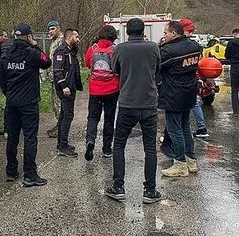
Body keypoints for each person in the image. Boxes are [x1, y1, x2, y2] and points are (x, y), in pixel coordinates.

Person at [104, 18, 162, 204]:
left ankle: (118, 186)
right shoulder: (153, 47)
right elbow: (157, 72)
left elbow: (115, 71)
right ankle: (150, 190)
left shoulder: (119, 49)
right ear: (142, 31)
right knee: (150, 148)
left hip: (128, 103)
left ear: (126, 32)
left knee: (119, 144)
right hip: (149, 104)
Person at [0, 22, 52, 187]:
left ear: (14, 36)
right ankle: (30, 174)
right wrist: (36, 46)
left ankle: (11, 171)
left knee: (12, 138)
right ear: (29, 36)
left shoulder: (5, 55)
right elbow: (47, 62)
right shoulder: (32, 53)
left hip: (12, 103)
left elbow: (2, 79)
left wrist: (10, 95)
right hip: (28, 103)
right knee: (30, 138)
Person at [159, 21, 202, 177]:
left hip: (173, 94)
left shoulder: (169, 51)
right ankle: (191, 161)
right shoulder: (195, 46)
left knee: (174, 129)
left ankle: (180, 164)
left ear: (174, 34)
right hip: (189, 91)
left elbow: (156, 63)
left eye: (165, 33)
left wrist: (159, 46)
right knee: (185, 127)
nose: (164, 36)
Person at [84, 25, 119, 161]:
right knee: (109, 119)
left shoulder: (92, 49)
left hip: (95, 90)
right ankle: (106, 149)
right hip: (112, 89)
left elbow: (88, 64)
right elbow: (118, 67)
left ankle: (90, 140)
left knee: (93, 117)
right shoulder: (115, 50)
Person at [53, 28, 82, 158]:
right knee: (67, 117)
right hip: (66, 89)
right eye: (76, 37)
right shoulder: (61, 50)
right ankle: (63, 146)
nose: (78, 39)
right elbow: (57, 70)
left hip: (71, 87)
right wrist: (64, 86)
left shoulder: (71, 50)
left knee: (64, 116)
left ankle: (62, 144)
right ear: (69, 37)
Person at [180, 19, 209, 138]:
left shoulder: (180, 46)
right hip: (193, 78)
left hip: (183, 81)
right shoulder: (196, 46)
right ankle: (201, 128)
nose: (191, 33)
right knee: (194, 103)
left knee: (178, 107)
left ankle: (174, 135)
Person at [46, 20, 63, 138]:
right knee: (55, 103)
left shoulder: (61, 41)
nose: (50, 31)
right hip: (53, 76)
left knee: (59, 102)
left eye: (53, 29)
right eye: (49, 29)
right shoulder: (53, 41)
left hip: (59, 76)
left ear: (58, 28)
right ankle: (59, 124)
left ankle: (62, 127)